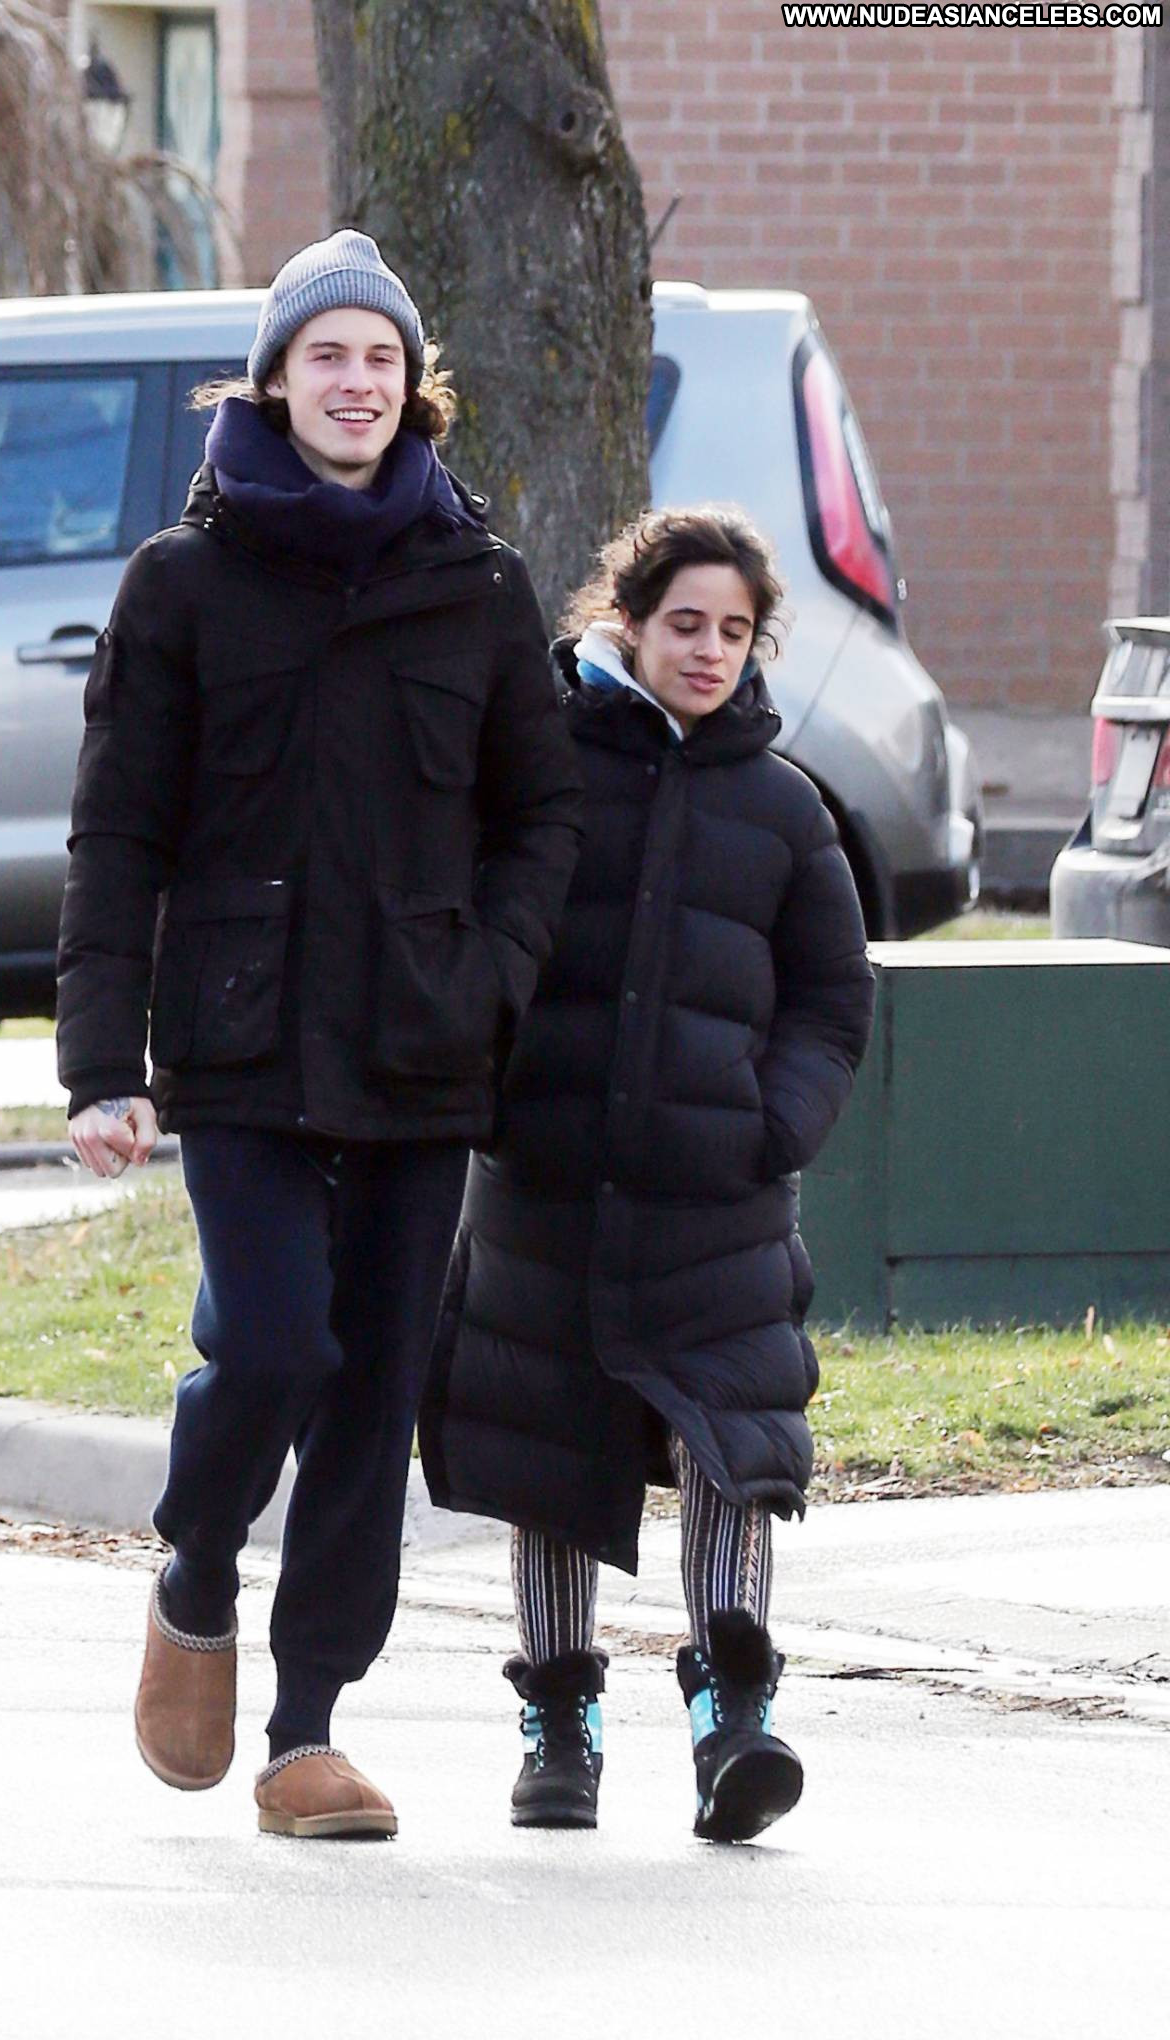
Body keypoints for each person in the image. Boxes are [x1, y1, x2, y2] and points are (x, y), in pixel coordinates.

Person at [56, 230, 582, 1840]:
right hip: (242, 1040)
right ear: (274, 381)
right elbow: (118, 835)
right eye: (326, 356)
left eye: (380, 359)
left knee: (373, 1393)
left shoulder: (479, 586)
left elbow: (541, 815)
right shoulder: (182, 583)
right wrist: (101, 1066)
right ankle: (198, 1566)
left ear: (413, 390)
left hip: (424, 1042)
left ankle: (306, 1733)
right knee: (278, 1346)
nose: (356, 383)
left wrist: (491, 971)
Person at [420, 505, 875, 1842]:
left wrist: (772, 1125)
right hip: (544, 1195)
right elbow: (471, 934)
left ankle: (735, 1719)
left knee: (730, 1452)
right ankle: (559, 1726)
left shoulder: (786, 809)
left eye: (736, 631)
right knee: (548, 1463)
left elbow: (831, 1001)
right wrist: (487, 1088)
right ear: (627, 622)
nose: (711, 651)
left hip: (717, 1211)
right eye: (687, 624)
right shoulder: (545, 771)